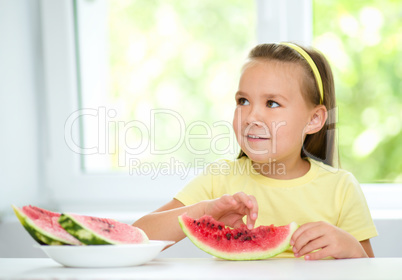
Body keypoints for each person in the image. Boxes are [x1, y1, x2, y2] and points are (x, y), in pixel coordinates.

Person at [133, 42, 378, 260]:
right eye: (243, 101)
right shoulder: (220, 177)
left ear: (314, 119)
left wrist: (352, 248)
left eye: (272, 103)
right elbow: (138, 237)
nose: (251, 116)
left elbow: (369, 268)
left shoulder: (341, 188)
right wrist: (204, 211)